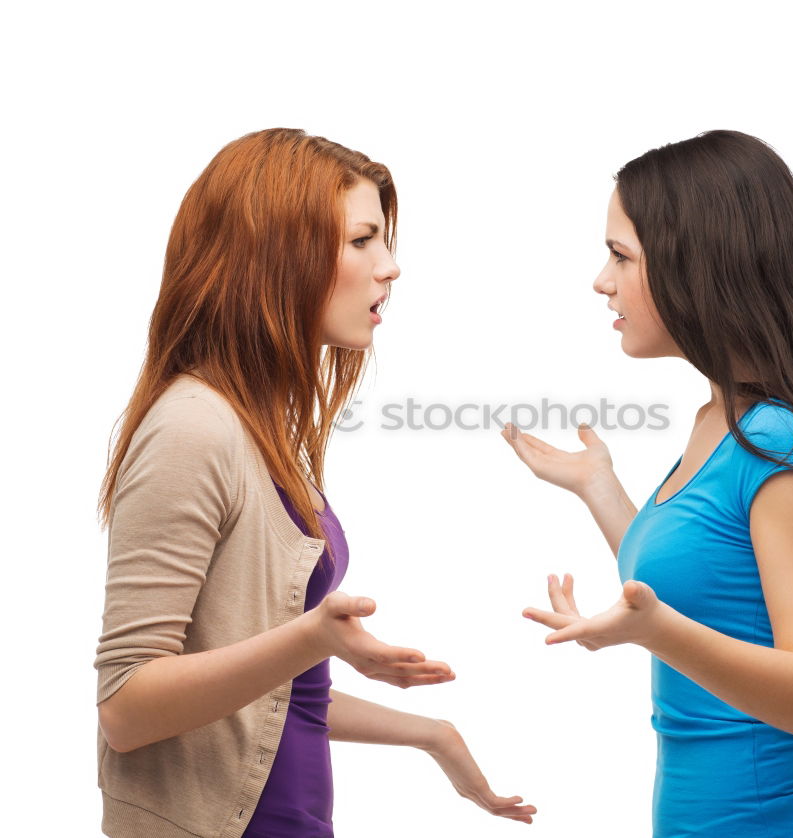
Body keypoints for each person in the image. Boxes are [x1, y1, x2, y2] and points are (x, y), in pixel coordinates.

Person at [94, 127, 536, 837]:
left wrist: (433, 734)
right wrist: (311, 638)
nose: (390, 267)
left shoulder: (261, 432)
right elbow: (126, 708)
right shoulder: (193, 429)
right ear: (276, 255)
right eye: (362, 240)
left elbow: (266, 704)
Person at [501, 130, 793, 837]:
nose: (601, 280)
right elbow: (703, 583)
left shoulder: (780, 446)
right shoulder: (717, 419)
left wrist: (653, 631)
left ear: (701, 267)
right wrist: (599, 489)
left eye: (621, 256)